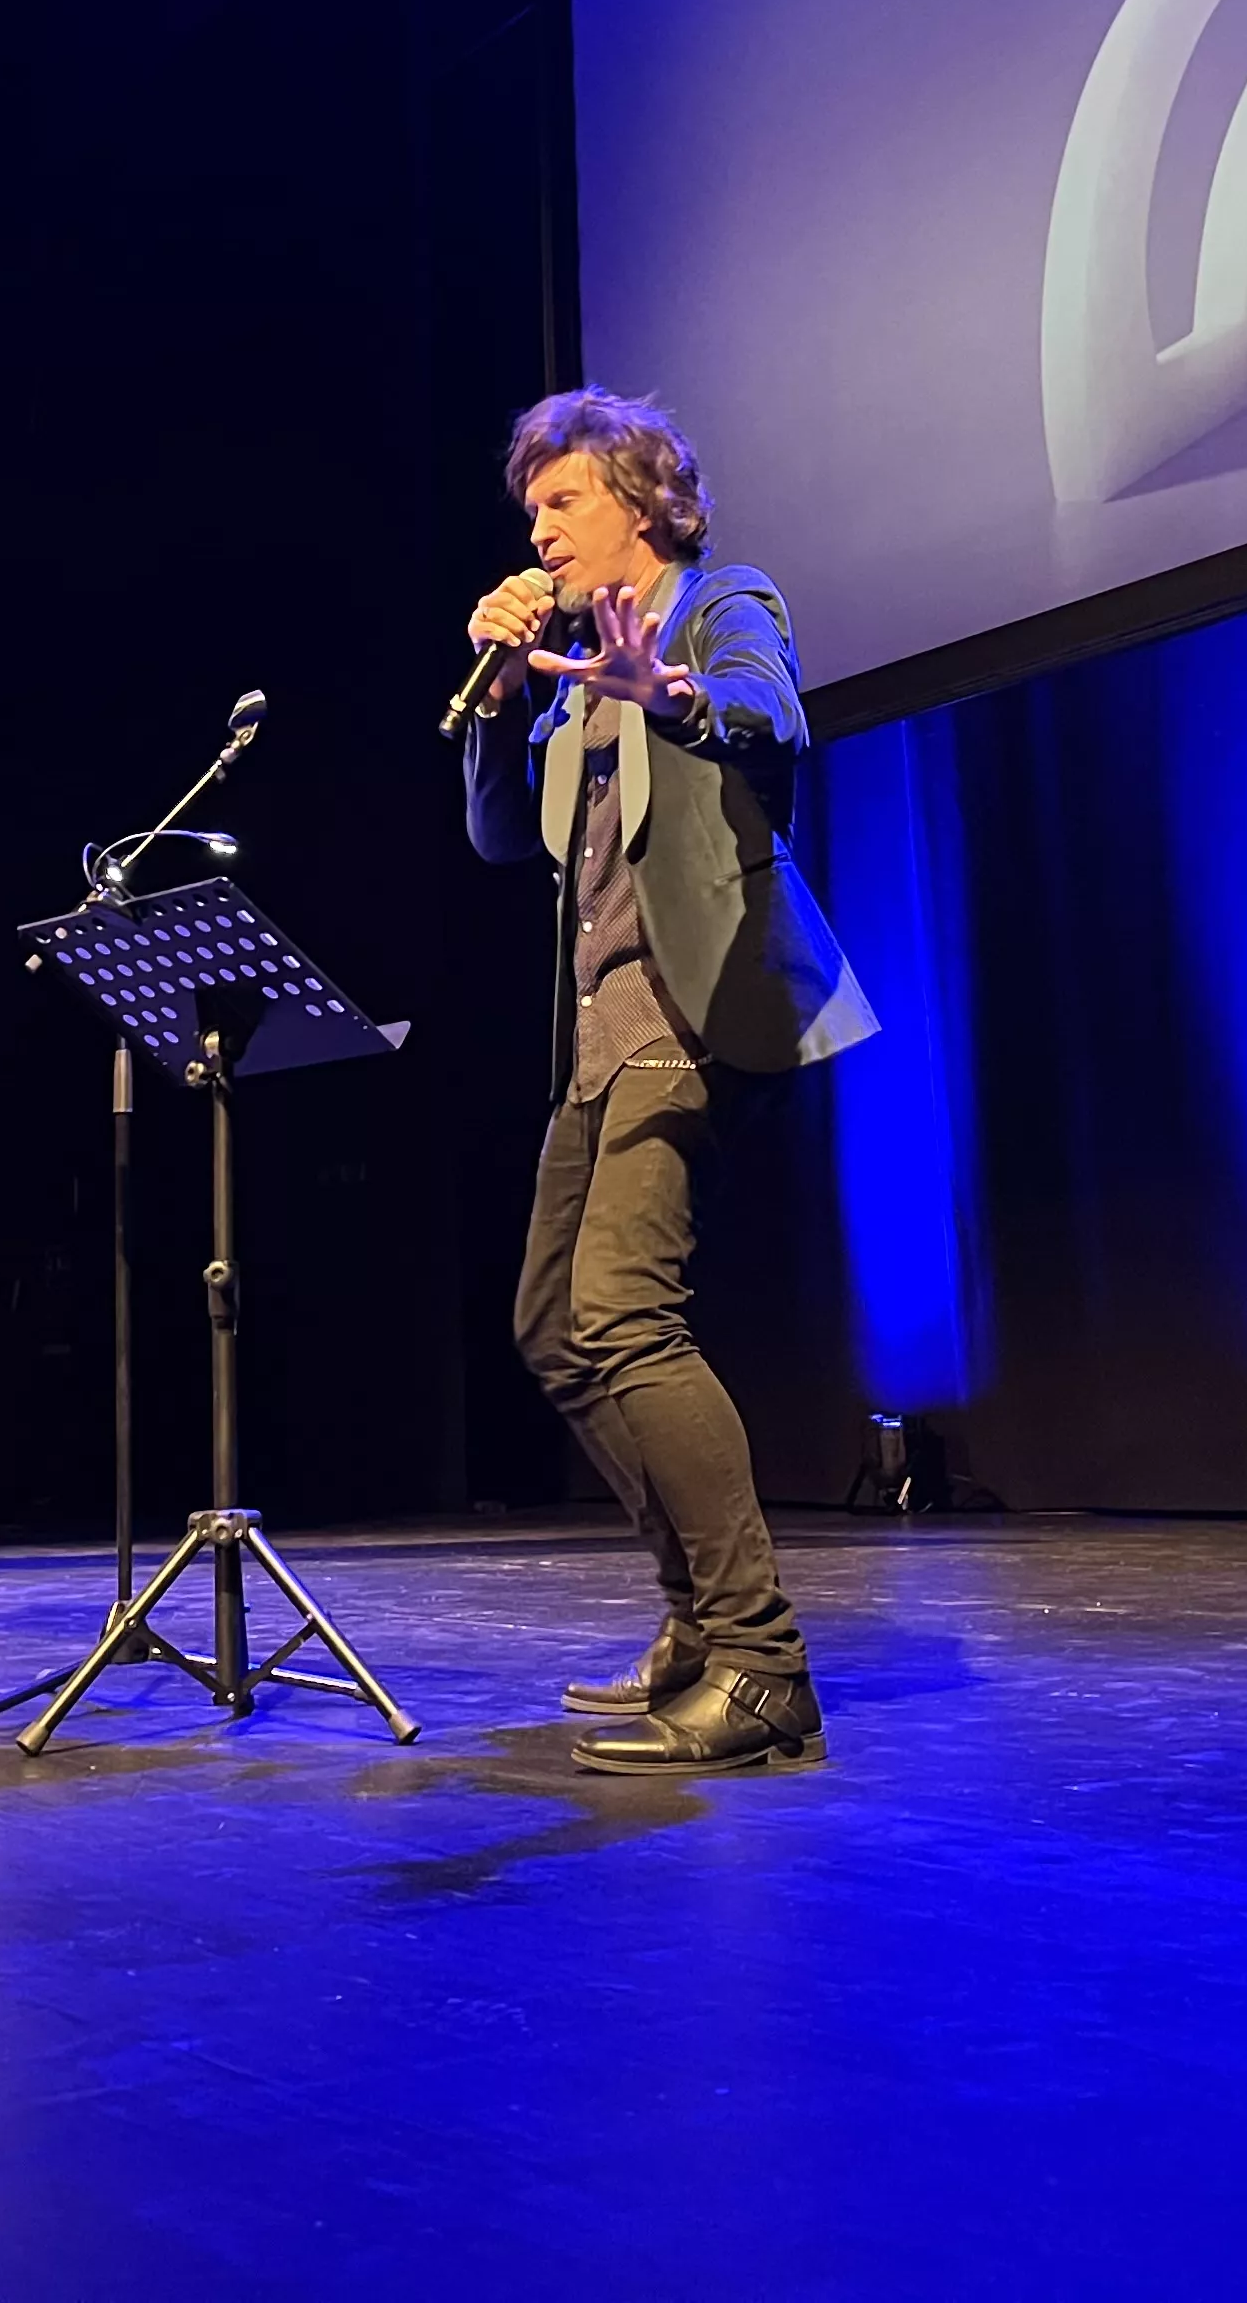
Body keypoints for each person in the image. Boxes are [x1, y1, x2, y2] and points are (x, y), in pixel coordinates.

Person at [456, 387, 876, 1775]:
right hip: (597, 1034)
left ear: (641, 504)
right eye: (531, 511)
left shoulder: (716, 605)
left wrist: (671, 694)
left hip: (693, 1015)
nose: (540, 533)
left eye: (562, 502)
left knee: (625, 1311)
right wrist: (499, 703)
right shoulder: (575, 669)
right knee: (552, 1329)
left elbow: (770, 716)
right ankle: (698, 1621)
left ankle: (762, 1664)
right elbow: (501, 841)